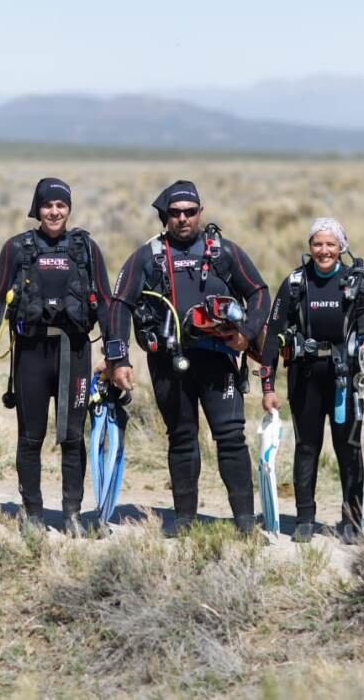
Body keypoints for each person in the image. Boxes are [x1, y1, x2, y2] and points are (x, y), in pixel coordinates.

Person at [108, 180, 271, 537]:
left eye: (190, 212)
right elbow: (119, 305)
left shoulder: (223, 252)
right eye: (175, 213)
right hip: (169, 362)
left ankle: (245, 523)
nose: (182, 219)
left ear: (200, 212)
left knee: (230, 437)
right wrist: (118, 360)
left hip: (219, 359)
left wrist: (246, 334)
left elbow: (259, 292)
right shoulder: (146, 257)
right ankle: (184, 522)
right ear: (165, 215)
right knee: (181, 437)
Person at [0, 178, 113, 537]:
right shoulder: (17, 249)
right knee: (31, 437)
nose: (54, 212)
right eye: (47, 205)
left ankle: (72, 513)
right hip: (31, 354)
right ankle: (33, 512)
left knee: (72, 436)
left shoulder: (85, 249)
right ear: (37, 209)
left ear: (69, 209)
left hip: (75, 353)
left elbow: (106, 301)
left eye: (61, 205)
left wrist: (117, 356)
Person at [259, 218, 364, 543]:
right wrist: (267, 386)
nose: (324, 250)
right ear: (309, 247)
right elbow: (272, 336)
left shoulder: (357, 284)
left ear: (341, 246)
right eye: (318, 243)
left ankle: (352, 519)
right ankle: (304, 518)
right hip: (305, 378)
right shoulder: (294, 284)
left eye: (331, 244)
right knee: (307, 447)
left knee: (350, 449)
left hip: (347, 380)